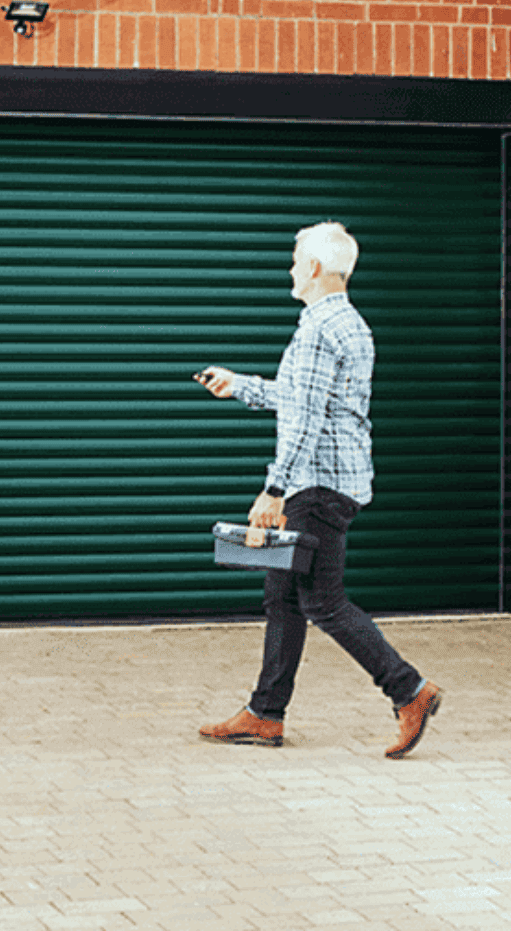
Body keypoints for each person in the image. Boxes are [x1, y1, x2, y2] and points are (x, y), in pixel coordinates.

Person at [193, 221, 441, 759]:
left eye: (293, 259)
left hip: (316, 487)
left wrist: (274, 490)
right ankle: (264, 714)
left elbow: (304, 419)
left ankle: (410, 691)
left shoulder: (315, 330)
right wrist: (242, 386)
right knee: (282, 596)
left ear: (312, 268)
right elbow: (307, 398)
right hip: (336, 480)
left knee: (321, 601)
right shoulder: (349, 324)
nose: (288, 268)